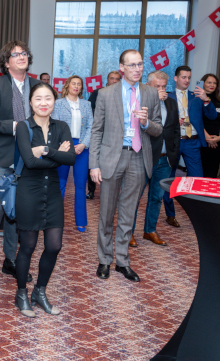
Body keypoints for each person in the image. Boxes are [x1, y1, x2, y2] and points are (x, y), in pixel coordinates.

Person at [89, 49, 162, 283]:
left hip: (139, 157)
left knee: (128, 214)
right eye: (132, 65)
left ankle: (122, 260)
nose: (137, 69)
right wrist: (94, 165)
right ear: (121, 68)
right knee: (107, 213)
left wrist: (146, 122)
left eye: (140, 64)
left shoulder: (151, 93)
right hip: (112, 158)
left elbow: (158, 128)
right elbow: (97, 131)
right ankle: (104, 260)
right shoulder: (105, 93)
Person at [0, 40, 39, 288]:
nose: (21, 57)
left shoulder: (37, 86)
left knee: (17, 209)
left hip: (28, 157)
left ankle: (10, 260)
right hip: (2, 156)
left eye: (24, 53)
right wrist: (15, 126)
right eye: (16, 54)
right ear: (6, 62)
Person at [14, 83, 76, 317]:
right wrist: (56, 154)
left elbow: (70, 159)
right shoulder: (23, 126)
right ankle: (21, 293)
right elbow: (29, 162)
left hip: (52, 192)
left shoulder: (62, 126)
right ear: (30, 102)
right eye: (38, 99)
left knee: (54, 246)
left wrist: (46, 151)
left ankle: (40, 291)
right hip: (28, 191)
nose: (43, 103)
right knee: (28, 246)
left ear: (54, 102)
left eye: (48, 98)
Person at [162, 66, 216, 228]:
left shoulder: (197, 96)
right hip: (173, 142)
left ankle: (198, 214)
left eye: (189, 78)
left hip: (192, 142)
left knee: (197, 179)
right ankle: (170, 215)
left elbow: (212, 116)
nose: (186, 80)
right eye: (183, 77)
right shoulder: (167, 96)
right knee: (169, 179)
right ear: (176, 78)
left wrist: (206, 99)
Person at [130, 71, 180, 247]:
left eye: (164, 87)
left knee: (157, 197)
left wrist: (173, 155)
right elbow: (139, 128)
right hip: (144, 157)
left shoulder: (172, 103)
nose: (161, 90)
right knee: (135, 197)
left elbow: (175, 131)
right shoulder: (140, 102)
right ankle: (128, 233)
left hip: (165, 159)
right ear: (148, 86)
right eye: (157, 86)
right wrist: (154, 101)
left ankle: (149, 230)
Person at [51, 75, 93, 232]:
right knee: (60, 183)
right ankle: (56, 221)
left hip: (82, 147)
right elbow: (55, 126)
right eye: (73, 83)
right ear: (67, 86)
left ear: (81, 88)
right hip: (64, 146)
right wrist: (66, 145)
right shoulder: (58, 104)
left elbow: (91, 126)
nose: (76, 86)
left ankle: (81, 221)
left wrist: (83, 144)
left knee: (81, 185)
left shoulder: (86, 104)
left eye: (79, 84)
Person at [87, 70, 121, 199]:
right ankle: (91, 190)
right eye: (112, 78)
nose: (114, 81)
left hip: (114, 135)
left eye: (117, 79)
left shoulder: (122, 95)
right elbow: (90, 110)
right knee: (93, 162)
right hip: (99, 131)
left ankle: (114, 192)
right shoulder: (99, 92)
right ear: (107, 80)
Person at [200, 73, 220, 178]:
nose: (212, 85)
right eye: (209, 82)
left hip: (217, 142)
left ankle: (208, 194)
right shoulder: (196, 99)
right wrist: (208, 138)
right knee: (199, 172)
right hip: (201, 141)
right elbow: (195, 121)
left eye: (214, 83)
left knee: (212, 172)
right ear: (203, 83)